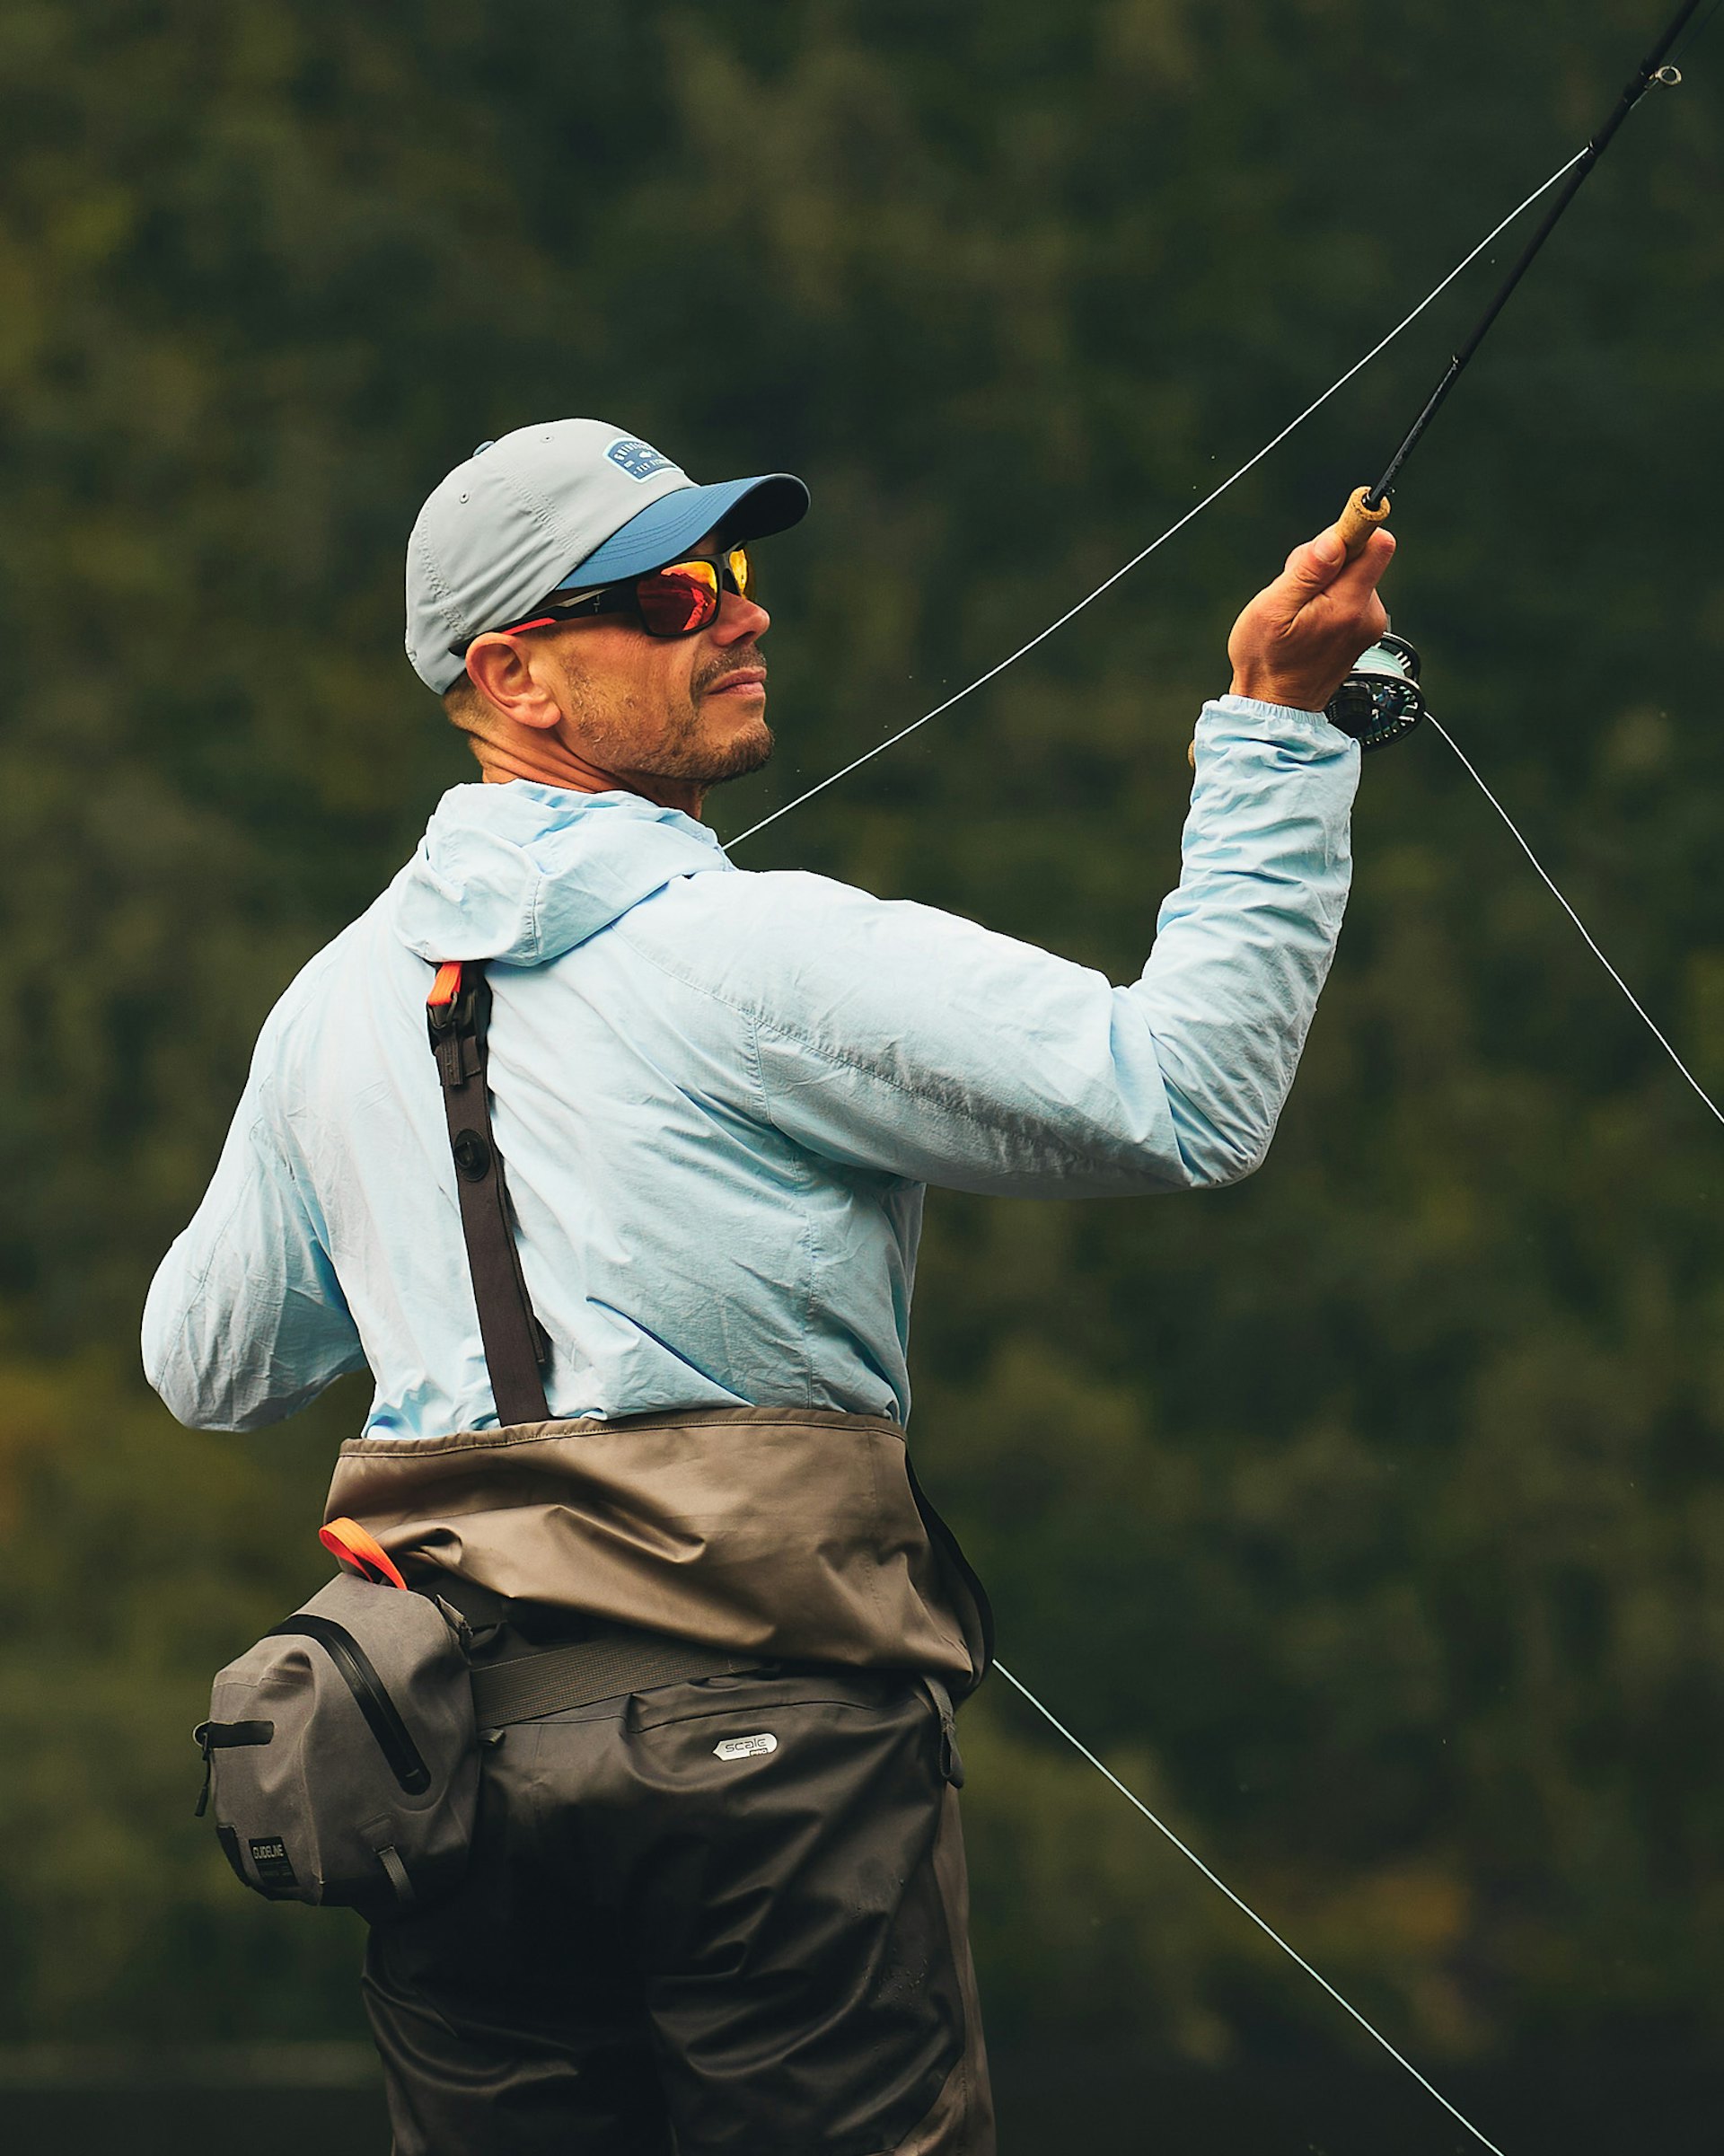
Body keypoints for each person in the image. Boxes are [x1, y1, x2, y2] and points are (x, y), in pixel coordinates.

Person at [143, 417, 1393, 2155]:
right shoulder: (758, 948)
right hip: (767, 1764)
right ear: (519, 674)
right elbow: (1183, 1098)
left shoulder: (327, 1006)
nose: (743, 615)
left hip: (431, 1775)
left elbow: (209, 1365)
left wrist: (405, 1194)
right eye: (671, 594)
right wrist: (1276, 725)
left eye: (735, 578)